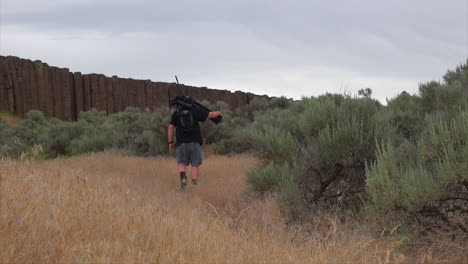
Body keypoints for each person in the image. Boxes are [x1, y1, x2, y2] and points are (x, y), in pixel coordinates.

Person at [167, 101, 223, 189]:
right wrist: (218, 113)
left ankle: (183, 178)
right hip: (195, 142)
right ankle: (194, 184)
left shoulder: (176, 113)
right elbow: (210, 115)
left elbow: (170, 127)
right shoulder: (195, 110)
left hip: (181, 143)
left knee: (181, 162)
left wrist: (170, 142)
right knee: (195, 163)